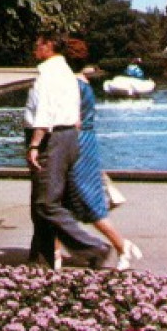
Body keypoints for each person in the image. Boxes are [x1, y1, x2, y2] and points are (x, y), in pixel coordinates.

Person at [24, 32, 116, 269]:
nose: (35, 47)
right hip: (67, 137)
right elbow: (76, 114)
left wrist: (35, 143)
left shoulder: (48, 74)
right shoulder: (66, 72)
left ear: (49, 46)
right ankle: (40, 258)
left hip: (50, 139)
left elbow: (44, 112)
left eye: (38, 44)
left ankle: (93, 248)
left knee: (46, 203)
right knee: (41, 202)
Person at [57, 43, 144, 270]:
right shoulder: (84, 83)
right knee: (62, 202)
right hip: (87, 142)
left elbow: (72, 120)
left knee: (84, 200)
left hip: (76, 145)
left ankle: (122, 246)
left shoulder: (72, 85)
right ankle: (56, 252)